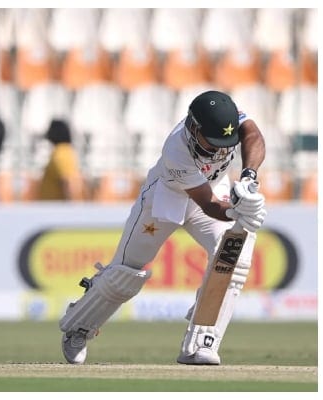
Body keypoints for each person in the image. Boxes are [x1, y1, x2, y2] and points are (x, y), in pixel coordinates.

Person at [58, 90, 267, 365]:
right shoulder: (176, 150)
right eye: (211, 142)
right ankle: (79, 326)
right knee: (126, 273)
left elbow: (253, 135)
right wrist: (236, 211)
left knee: (233, 256)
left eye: (223, 143)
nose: (218, 150)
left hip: (214, 189)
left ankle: (201, 342)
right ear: (194, 128)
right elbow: (208, 205)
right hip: (165, 200)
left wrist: (249, 179)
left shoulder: (230, 120)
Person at [36, 119, 85, 201]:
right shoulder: (64, 151)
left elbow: (68, 182)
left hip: (57, 210)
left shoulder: (61, 152)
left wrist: (71, 208)